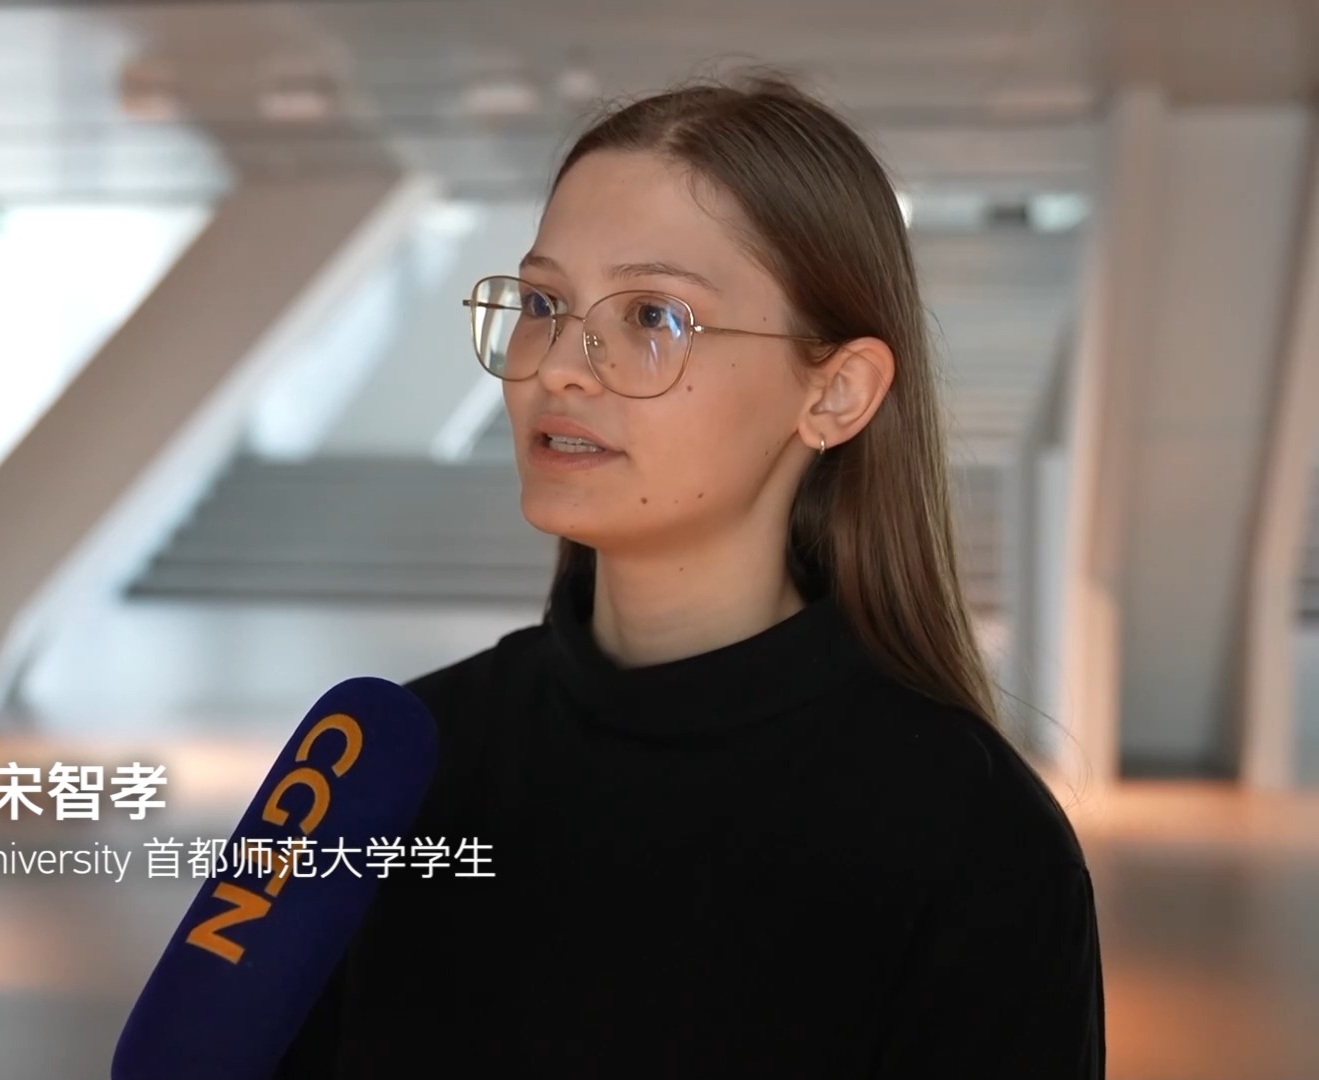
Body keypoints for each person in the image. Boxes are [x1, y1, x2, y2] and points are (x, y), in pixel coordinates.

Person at [272, 71, 1105, 1078]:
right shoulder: (388, 766)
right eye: (543, 302)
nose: (559, 366)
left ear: (837, 394)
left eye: (654, 316)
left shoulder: (973, 844)